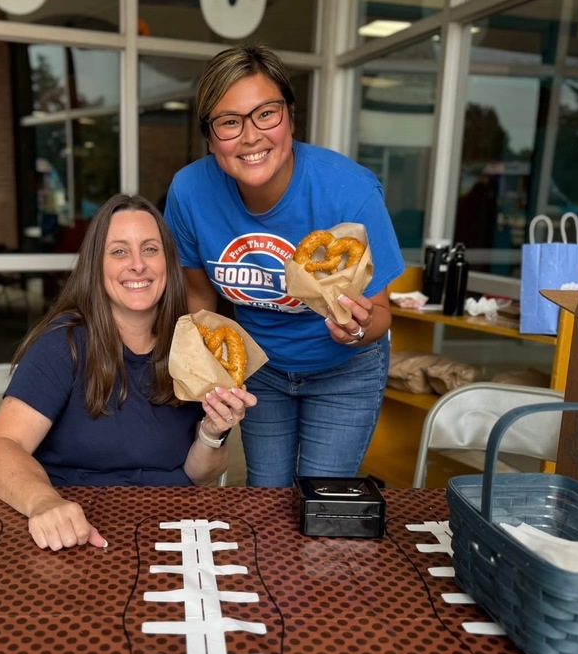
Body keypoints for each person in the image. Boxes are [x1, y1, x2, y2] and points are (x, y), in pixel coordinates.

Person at [163, 43, 406, 488]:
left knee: (322, 499)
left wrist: (354, 329)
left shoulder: (349, 191)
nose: (251, 136)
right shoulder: (190, 192)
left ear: (290, 117)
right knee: (267, 495)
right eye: (229, 122)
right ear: (211, 137)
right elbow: (199, 297)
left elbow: (381, 316)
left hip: (344, 370)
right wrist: (205, 366)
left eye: (266, 114)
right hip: (263, 370)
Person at [0, 194, 256, 551]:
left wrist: (214, 431)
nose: (137, 265)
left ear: (169, 263)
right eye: (119, 251)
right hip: (77, 533)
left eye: (150, 249)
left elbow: (198, 473)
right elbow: (0, 447)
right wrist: (43, 502)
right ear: (96, 265)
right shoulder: (64, 343)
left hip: (169, 533)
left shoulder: (193, 348)